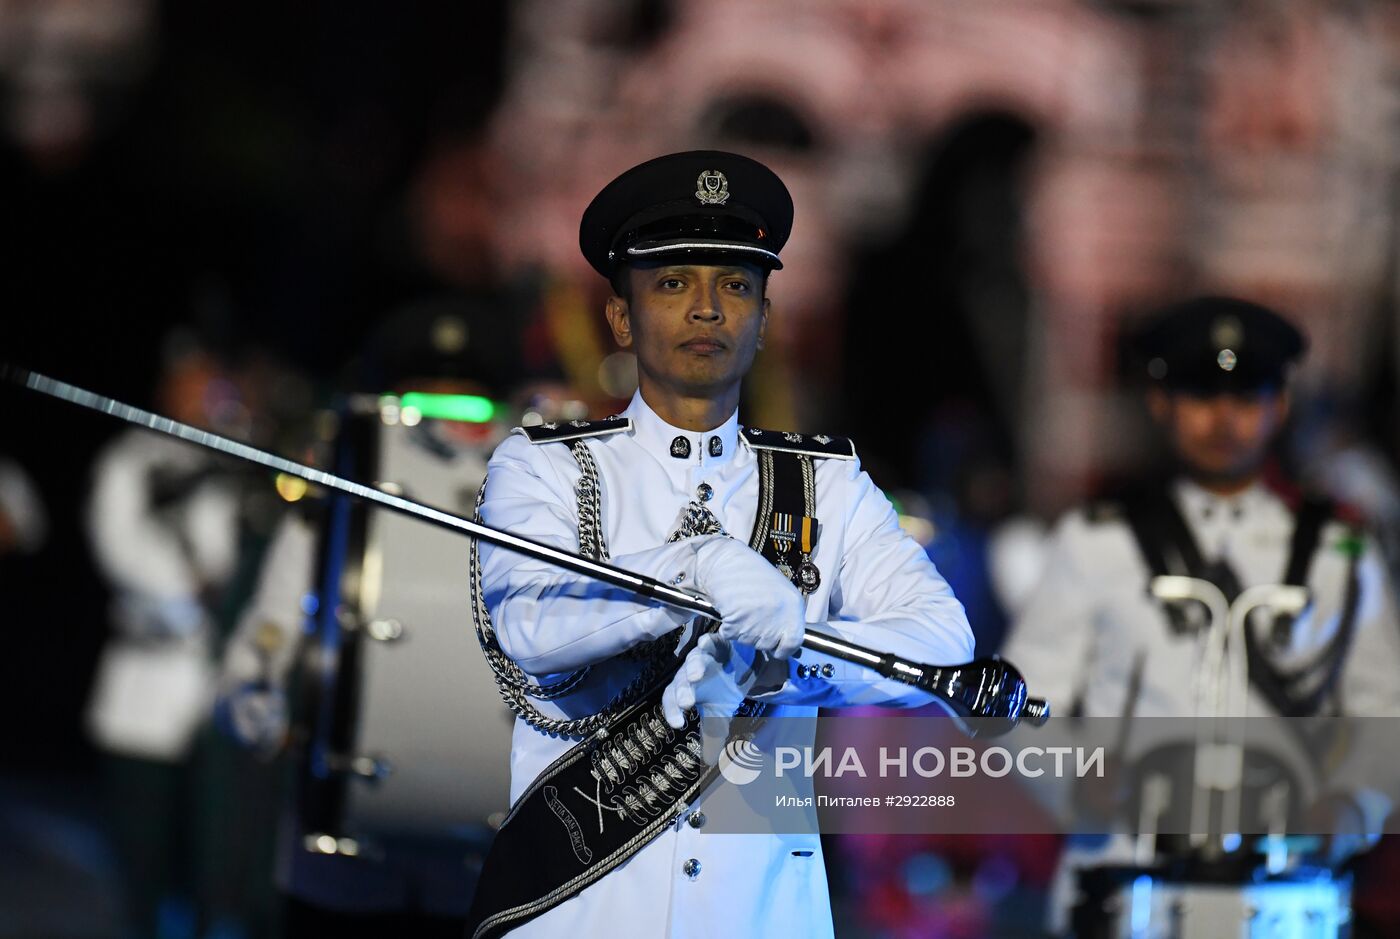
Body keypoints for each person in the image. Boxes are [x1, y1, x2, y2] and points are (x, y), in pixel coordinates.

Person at [466, 150, 974, 938]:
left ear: (765, 318)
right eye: (673, 283)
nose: (708, 308)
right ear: (622, 316)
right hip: (577, 905)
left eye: (736, 285)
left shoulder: (827, 485)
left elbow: (942, 643)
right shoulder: (545, 467)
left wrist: (774, 658)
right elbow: (532, 629)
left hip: (761, 914)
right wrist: (693, 570)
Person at [1002, 296, 1400, 934]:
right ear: (1161, 402)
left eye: (1248, 396)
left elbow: (1385, 712)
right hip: (1125, 878)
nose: (1224, 419)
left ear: (1282, 405)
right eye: (1200, 394)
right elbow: (1015, 701)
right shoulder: (1096, 541)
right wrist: (1075, 784)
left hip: (1283, 889)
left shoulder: (1337, 552)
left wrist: (1353, 808)